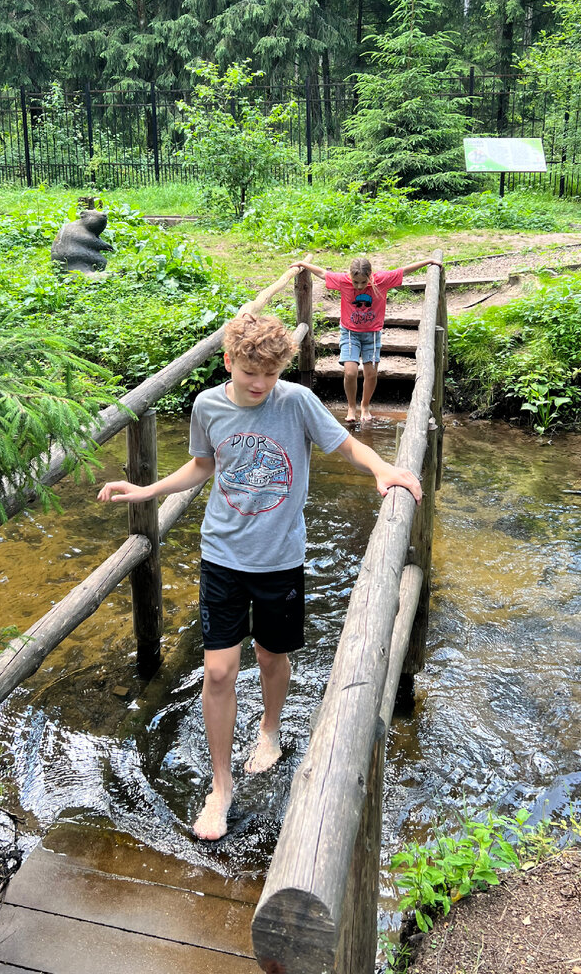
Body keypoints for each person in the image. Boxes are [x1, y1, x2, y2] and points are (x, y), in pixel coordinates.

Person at [96, 313, 421, 841]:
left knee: (272, 654)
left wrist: (383, 469)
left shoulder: (295, 402)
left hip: (280, 559)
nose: (259, 383)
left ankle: (269, 729)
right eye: (251, 371)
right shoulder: (208, 406)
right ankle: (220, 787)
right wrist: (148, 491)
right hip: (222, 555)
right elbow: (203, 466)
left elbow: (346, 446)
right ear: (229, 360)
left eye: (270, 374)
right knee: (219, 672)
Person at [295, 256, 443, 424]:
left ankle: (365, 406)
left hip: (372, 334)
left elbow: (404, 270)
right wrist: (302, 264)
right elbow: (322, 273)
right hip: (350, 333)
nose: (359, 286)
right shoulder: (343, 281)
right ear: (350, 276)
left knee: (371, 374)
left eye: (363, 282)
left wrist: (428, 262)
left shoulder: (381, 281)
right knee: (350, 372)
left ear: (370, 276)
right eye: (355, 282)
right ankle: (351, 407)